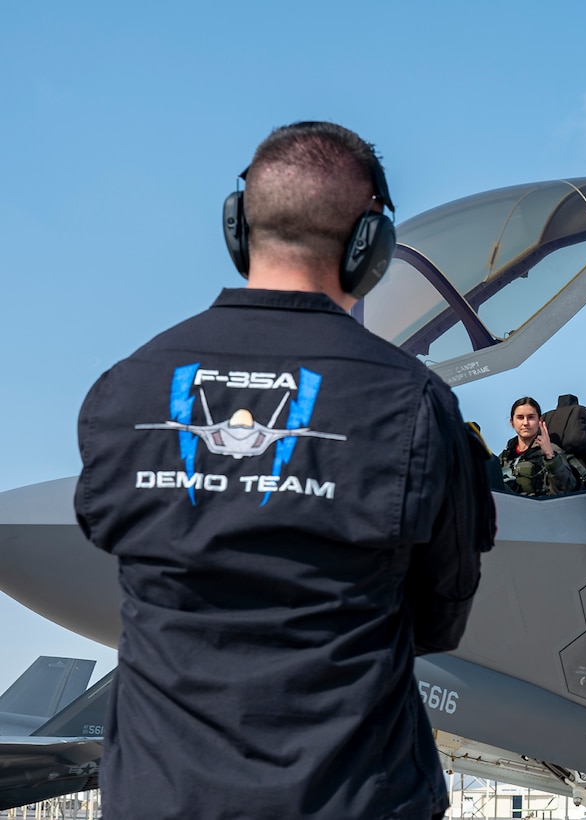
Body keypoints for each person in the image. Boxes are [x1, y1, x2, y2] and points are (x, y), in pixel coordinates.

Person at [73, 121, 495, 820]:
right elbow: (439, 615)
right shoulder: (413, 404)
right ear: (371, 246)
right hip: (352, 797)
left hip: (160, 797)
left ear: (236, 227)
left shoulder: (127, 389)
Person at [499, 396, 581, 496]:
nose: (525, 423)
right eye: (520, 417)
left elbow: (567, 487)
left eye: (530, 417)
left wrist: (550, 457)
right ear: (512, 422)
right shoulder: (506, 456)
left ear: (540, 420)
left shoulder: (551, 450)